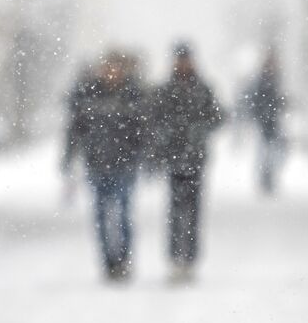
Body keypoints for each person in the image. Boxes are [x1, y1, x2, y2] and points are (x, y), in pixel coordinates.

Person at [62, 51, 148, 282]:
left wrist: (144, 156)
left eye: (115, 67)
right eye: (107, 67)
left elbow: (143, 129)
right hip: (97, 165)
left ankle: (123, 259)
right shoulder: (88, 94)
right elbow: (75, 130)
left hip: (125, 166)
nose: (111, 72)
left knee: (121, 214)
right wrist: (68, 158)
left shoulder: (132, 95)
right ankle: (108, 262)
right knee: (100, 216)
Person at [148, 42, 223, 283]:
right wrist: (161, 144)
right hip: (173, 158)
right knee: (174, 210)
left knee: (193, 211)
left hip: (196, 159)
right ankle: (174, 259)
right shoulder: (165, 89)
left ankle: (189, 259)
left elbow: (218, 116)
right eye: (180, 59)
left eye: (186, 59)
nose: (183, 64)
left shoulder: (203, 88)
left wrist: (199, 130)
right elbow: (153, 119)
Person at [242, 51, 286, 194]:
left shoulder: (275, 80)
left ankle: (269, 179)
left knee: (273, 153)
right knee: (264, 153)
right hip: (264, 123)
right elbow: (255, 102)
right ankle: (264, 180)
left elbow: (277, 101)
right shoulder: (261, 81)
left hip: (273, 123)